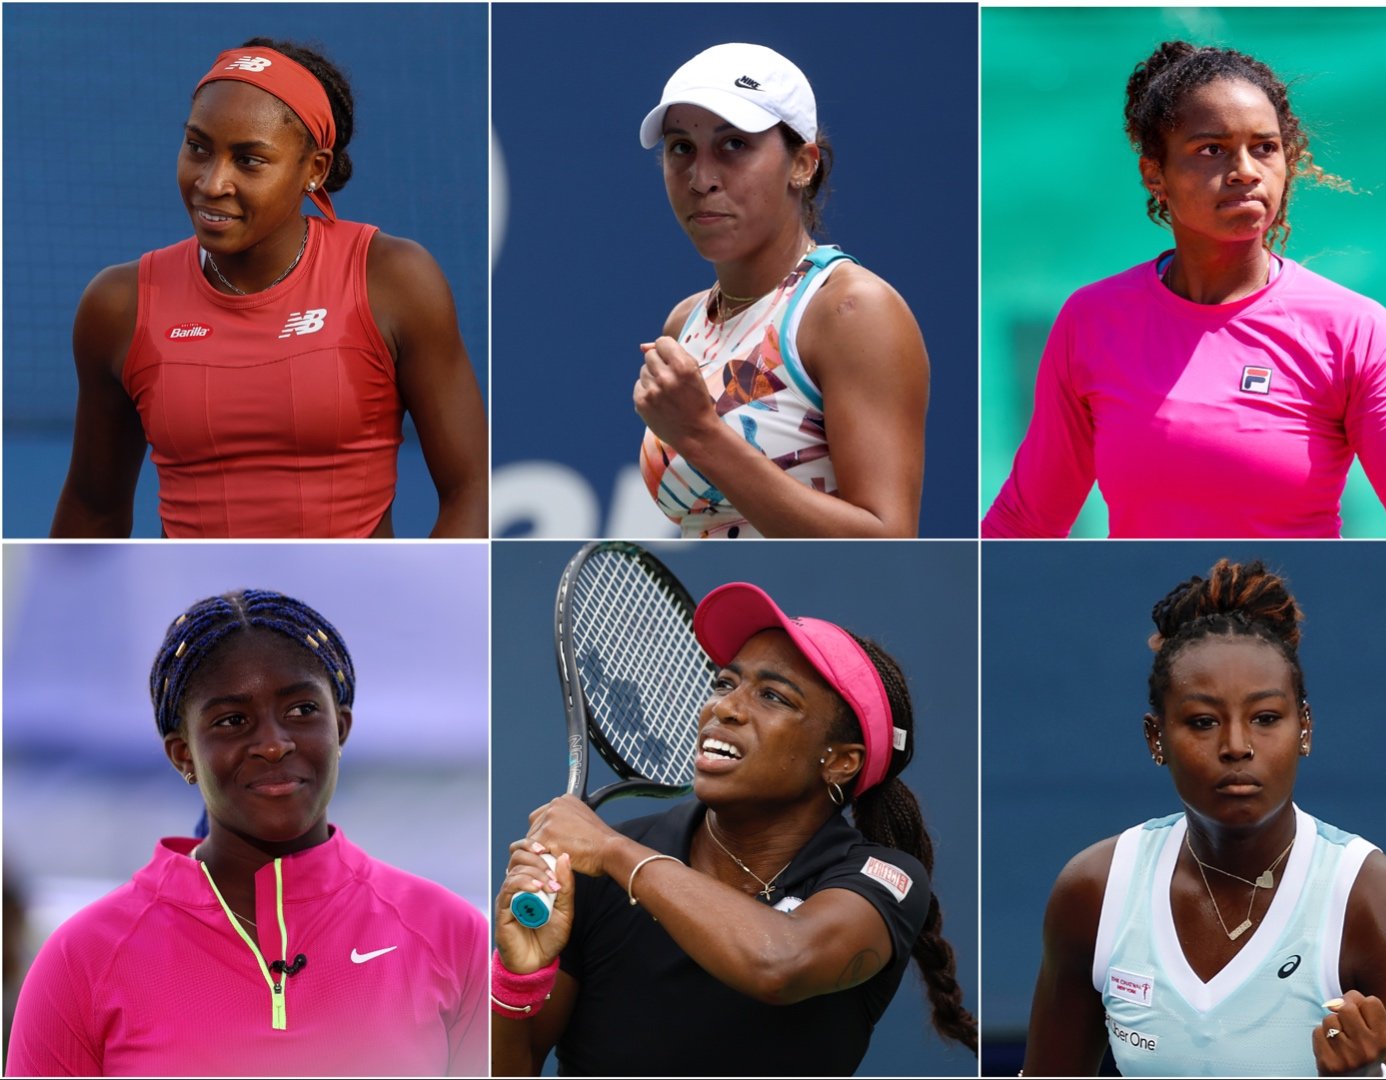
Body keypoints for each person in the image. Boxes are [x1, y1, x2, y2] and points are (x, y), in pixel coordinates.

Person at [983, 42, 1386, 539]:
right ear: (1155, 174)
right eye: (1211, 149)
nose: (1246, 171)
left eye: (1265, 147)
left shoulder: (1357, 328)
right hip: (1155, 609)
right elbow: (1027, 522)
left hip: (1290, 610)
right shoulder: (1091, 319)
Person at [491, 582, 975, 1075]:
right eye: (724, 683)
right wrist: (516, 981)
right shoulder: (594, 874)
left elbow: (779, 964)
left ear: (840, 762)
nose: (723, 708)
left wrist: (615, 852)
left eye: (772, 696)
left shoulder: (882, 878)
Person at [4, 590, 489, 1075]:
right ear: (183, 755)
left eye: (301, 710)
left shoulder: (450, 932)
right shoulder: (82, 958)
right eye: (232, 721)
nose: (274, 745)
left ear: (340, 728)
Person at [1021, 559, 1386, 1076]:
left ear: (1305, 728)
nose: (1237, 746)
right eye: (1203, 722)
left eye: (1266, 718)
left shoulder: (1385, 908)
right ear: (1156, 739)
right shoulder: (1094, 890)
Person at [51, 40, 488, 539]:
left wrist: (421, 605)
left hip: (358, 610)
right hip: (201, 615)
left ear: (315, 170)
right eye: (198, 147)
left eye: (249, 160)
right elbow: (93, 510)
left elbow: (471, 490)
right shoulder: (117, 305)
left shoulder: (395, 279)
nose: (212, 183)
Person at [632, 43, 927, 539]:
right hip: (727, 608)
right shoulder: (684, 324)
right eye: (682, 147)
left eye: (734, 145)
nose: (702, 179)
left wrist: (702, 434)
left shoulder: (851, 311)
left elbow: (889, 540)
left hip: (814, 606)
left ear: (802, 164)